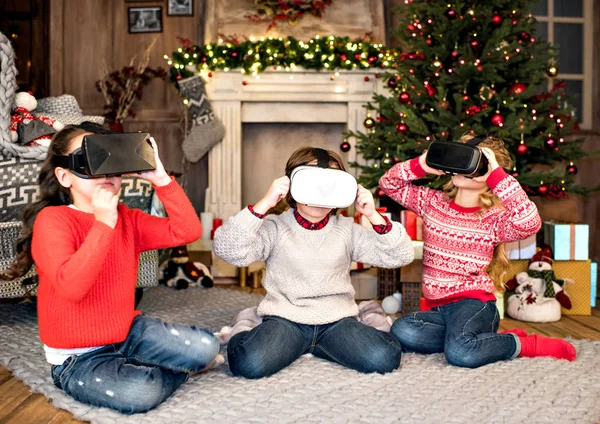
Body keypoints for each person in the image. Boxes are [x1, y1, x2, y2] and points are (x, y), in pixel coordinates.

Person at [2, 125, 221, 414]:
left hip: (128, 332)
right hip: (78, 358)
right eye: (92, 162)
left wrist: (160, 179)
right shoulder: (52, 221)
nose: (105, 174)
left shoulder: (128, 219)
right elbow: (72, 287)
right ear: (64, 176)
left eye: (112, 163)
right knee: (142, 392)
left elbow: (187, 231)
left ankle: (146, 362)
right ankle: (163, 370)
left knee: (207, 348)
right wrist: (104, 223)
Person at [213, 147, 415, 379]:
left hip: (337, 320)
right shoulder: (275, 227)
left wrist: (373, 216)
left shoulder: (347, 229)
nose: (320, 193)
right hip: (286, 319)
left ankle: (326, 341)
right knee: (248, 363)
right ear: (292, 185)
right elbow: (226, 249)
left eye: (329, 184)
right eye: (311, 182)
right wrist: (264, 203)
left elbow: (402, 255)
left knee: (385, 357)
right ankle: (248, 322)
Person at [379, 135, 576, 368]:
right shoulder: (433, 203)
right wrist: (423, 163)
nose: (465, 167)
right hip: (438, 310)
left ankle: (524, 344)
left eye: (475, 162)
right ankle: (479, 341)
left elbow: (529, 222)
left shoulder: (494, 219)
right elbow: (388, 184)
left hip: (474, 304)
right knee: (402, 330)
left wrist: (498, 177)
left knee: (461, 355)